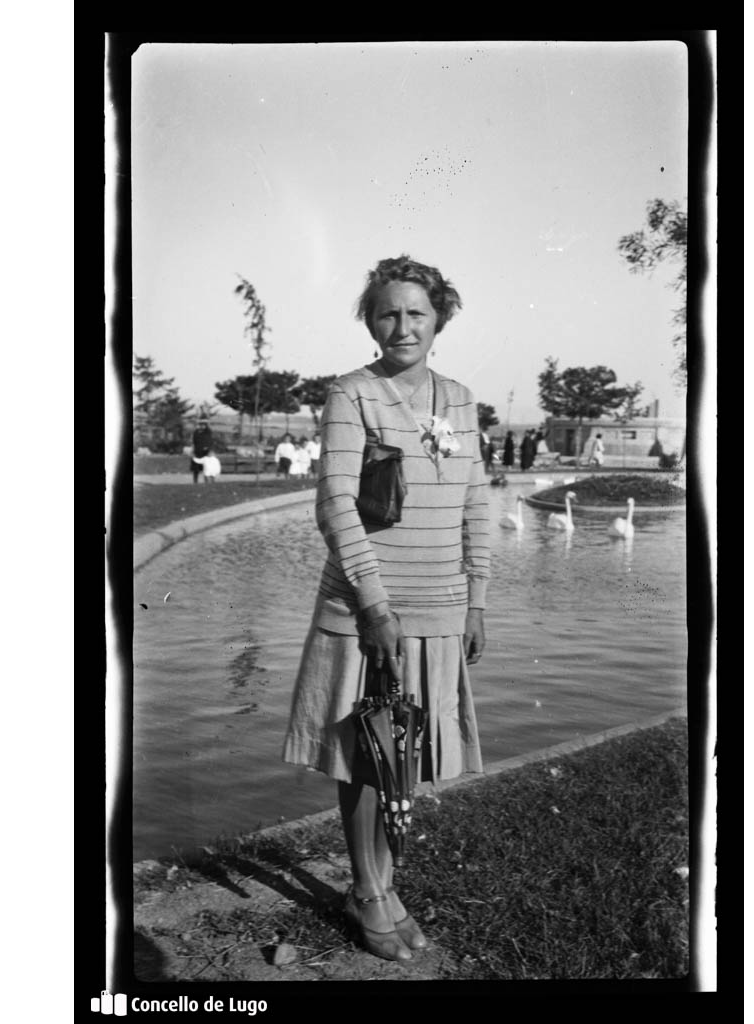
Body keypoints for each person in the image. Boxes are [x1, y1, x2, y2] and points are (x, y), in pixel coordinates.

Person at [282, 255, 490, 963]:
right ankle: (369, 889)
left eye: (416, 313)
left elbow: (476, 499)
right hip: (370, 605)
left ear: (441, 318)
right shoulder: (353, 393)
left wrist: (479, 596)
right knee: (368, 753)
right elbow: (335, 502)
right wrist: (373, 603)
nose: (402, 326)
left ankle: (383, 883)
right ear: (371, 320)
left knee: (404, 752)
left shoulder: (460, 399)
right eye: (387, 313)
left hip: (440, 603)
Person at [190, 418, 214, 484]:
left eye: (203, 425)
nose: (202, 426)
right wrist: (192, 451)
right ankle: (195, 481)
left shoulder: (208, 432)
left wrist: (208, 449)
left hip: (205, 453)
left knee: (206, 468)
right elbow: (193, 442)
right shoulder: (196, 432)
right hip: (197, 452)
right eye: (201, 424)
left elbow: (210, 442)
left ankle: (207, 481)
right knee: (196, 469)